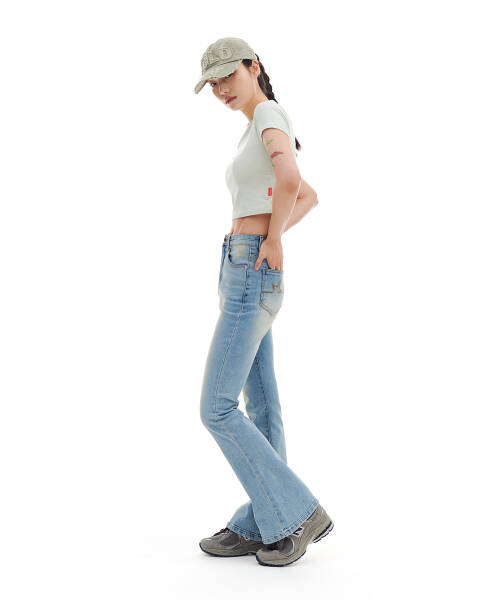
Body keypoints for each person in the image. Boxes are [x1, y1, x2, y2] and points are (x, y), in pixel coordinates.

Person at [195, 37, 334, 567]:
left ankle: (297, 514)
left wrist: (271, 239)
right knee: (260, 404)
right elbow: (308, 196)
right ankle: (264, 521)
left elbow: (292, 180)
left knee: (216, 407)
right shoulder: (255, 126)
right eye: (213, 83)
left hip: (250, 268)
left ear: (254, 67)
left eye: (228, 76)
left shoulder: (268, 114)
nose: (221, 89)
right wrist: (267, 241)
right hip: (246, 265)